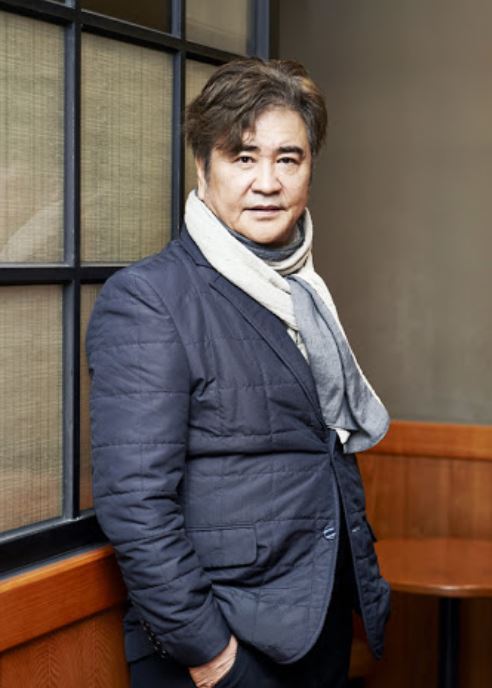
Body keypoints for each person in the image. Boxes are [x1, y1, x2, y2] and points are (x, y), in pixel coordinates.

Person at [86, 58, 391, 688]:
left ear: (309, 169)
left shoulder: (301, 289)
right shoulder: (149, 298)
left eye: (288, 159)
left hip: (315, 622)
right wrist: (213, 658)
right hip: (223, 646)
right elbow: (137, 505)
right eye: (244, 157)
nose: (268, 182)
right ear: (204, 168)